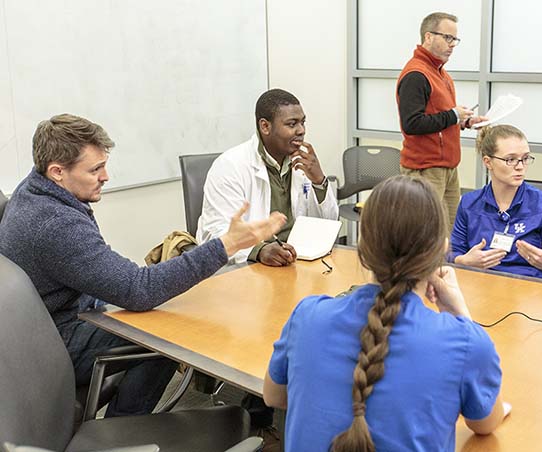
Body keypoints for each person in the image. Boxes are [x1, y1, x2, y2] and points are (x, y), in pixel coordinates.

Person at [0, 113, 286, 417]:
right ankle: (120, 430)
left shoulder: (34, 187)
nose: (106, 176)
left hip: (38, 325)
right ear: (57, 171)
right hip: (51, 343)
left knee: (159, 299)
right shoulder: (56, 224)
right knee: (168, 332)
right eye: (95, 169)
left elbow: (120, 279)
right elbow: (139, 289)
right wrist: (228, 244)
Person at [263, 175, 510, 451]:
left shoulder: (306, 317)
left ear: (363, 246)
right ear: (441, 247)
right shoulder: (466, 343)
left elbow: (273, 396)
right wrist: (461, 314)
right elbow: (485, 423)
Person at [197, 88, 338, 265]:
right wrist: (259, 250)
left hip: (297, 261)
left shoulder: (302, 164)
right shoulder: (229, 166)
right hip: (248, 268)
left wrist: (319, 181)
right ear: (265, 126)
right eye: (292, 124)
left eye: (303, 122)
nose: (301, 130)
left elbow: (328, 226)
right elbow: (216, 234)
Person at [450, 125, 542, 281]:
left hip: (530, 290)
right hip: (481, 286)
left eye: (525, 158)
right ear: (488, 162)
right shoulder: (469, 203)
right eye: (510, 159)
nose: (520, 167)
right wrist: (464, 261)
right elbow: (453, 253)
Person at [396, 12, 487, 228]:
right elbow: (412, 123)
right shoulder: (416, 75)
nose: (452, 45)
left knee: (449, 234)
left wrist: (464, 121)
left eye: (455, 39)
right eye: (447, 38)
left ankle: (446, 264)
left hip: (447, 168)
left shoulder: (441, 74)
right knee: (426, 235)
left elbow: (438, 118)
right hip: (425, 169)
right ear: (428, 37)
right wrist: (454, 115)